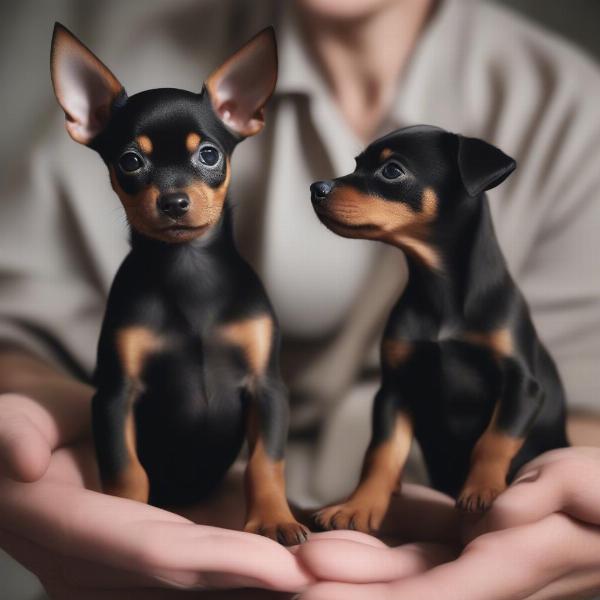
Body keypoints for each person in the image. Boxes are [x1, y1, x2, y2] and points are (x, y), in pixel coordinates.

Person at [1, 0, 600, 598]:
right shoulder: (144, 37)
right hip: (166, 534)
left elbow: (571, 396)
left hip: (447, 522)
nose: (176, 193)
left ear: (245, 112)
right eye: (137, 163)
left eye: (205, 156)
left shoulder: (562, 105)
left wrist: (556, 492)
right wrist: (41, 402)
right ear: (86, 123)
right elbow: (19, 325)